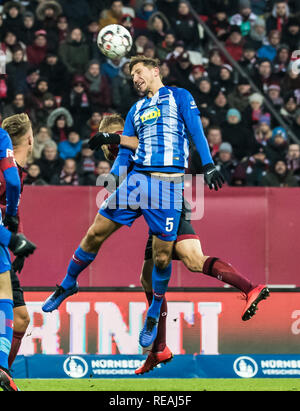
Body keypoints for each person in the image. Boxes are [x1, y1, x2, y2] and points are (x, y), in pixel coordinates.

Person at [42, 56, 224, 352]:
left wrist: (208, 164)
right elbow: (126, 151)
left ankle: (153, 312)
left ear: (155, 71)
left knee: (162, 259)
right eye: (132, 76)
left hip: (167, 187)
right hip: (138, 182)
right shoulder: (135, 110)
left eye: (139, 72)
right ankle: (68, 283)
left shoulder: (179, 96)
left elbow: (196, 132)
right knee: (94, 233)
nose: (135, 79)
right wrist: (113, 178)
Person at [100, 113, 270, 374]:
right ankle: (160, 348)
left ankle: (250, 288)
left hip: (167, 207)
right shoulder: (129, 153)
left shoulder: (131, 146)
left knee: (192, 261)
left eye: (110, 139)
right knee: (148, 277)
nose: (107, 147)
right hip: (161, 210)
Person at [0, 115, 37, 391]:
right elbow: (8, 207)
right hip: (2, 243)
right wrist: (13, 239)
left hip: (5, 244)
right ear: (29, 139)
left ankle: (4, 372)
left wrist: (17, 240)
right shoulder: (10, 172)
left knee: (21, 318)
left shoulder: (18, 172)